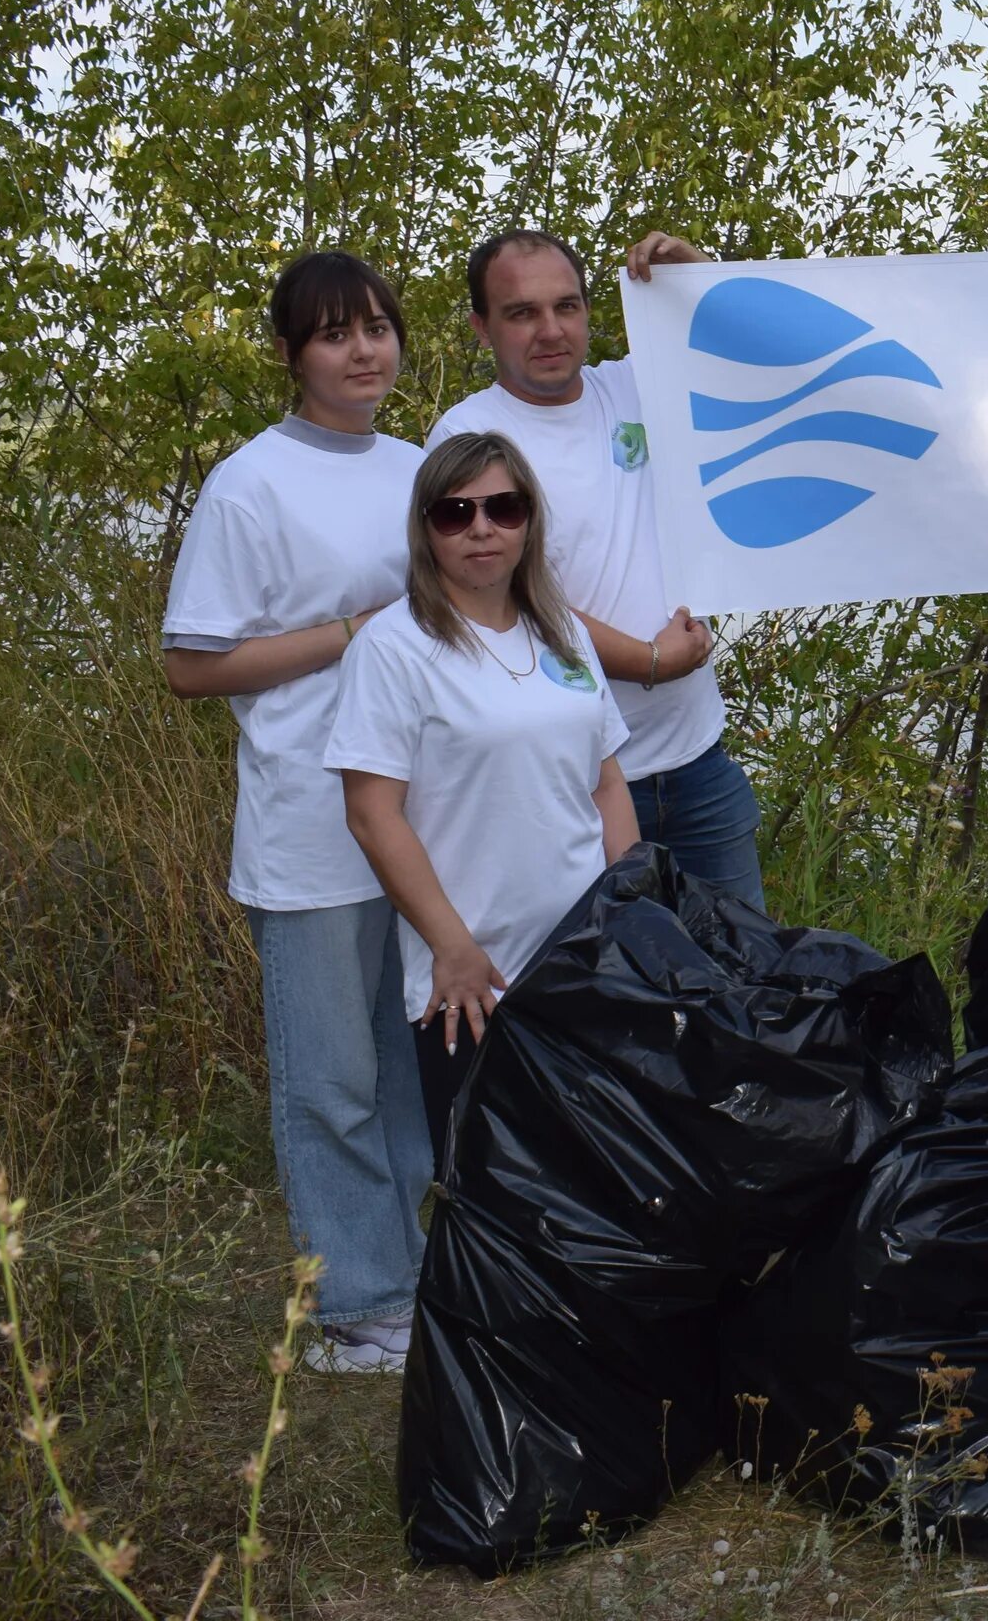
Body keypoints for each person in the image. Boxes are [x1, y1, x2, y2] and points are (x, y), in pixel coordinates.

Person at [162, 252, 431, 1374]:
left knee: (409, 1062)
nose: (363, 349)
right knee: (329, 1077)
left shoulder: (424, 470)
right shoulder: (250, 483)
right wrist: (346, 635)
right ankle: (356, 1305)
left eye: (377, 326)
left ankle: (423, 1275)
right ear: (290, 352)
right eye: (334, 333)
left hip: (420, 819)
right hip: (310, 827)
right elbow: (191, 663)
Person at [425, 228, 758, 907]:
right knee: (610, 1002)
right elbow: (499, 597)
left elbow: (758, 354)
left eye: (568, 307)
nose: (551, 330)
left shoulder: (637, 388)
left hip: (697, 763)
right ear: (480, 328)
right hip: (572, 784)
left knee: (744, 994)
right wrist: (645, 660)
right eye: (522, 313)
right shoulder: (466, 438)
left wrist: (692, 272)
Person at [325, 433, 638, 1156]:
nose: (482, 528)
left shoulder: (560, 633)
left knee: (598, 1172)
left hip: (587, 959)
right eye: (454, 512)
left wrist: (628, 908)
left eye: (504, 507)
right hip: (476, 979)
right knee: (497, 1194)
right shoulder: (394, 647)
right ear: (425, 527)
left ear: (529, 519)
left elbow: (607, 781)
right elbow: (372, 815)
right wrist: (452, 947)